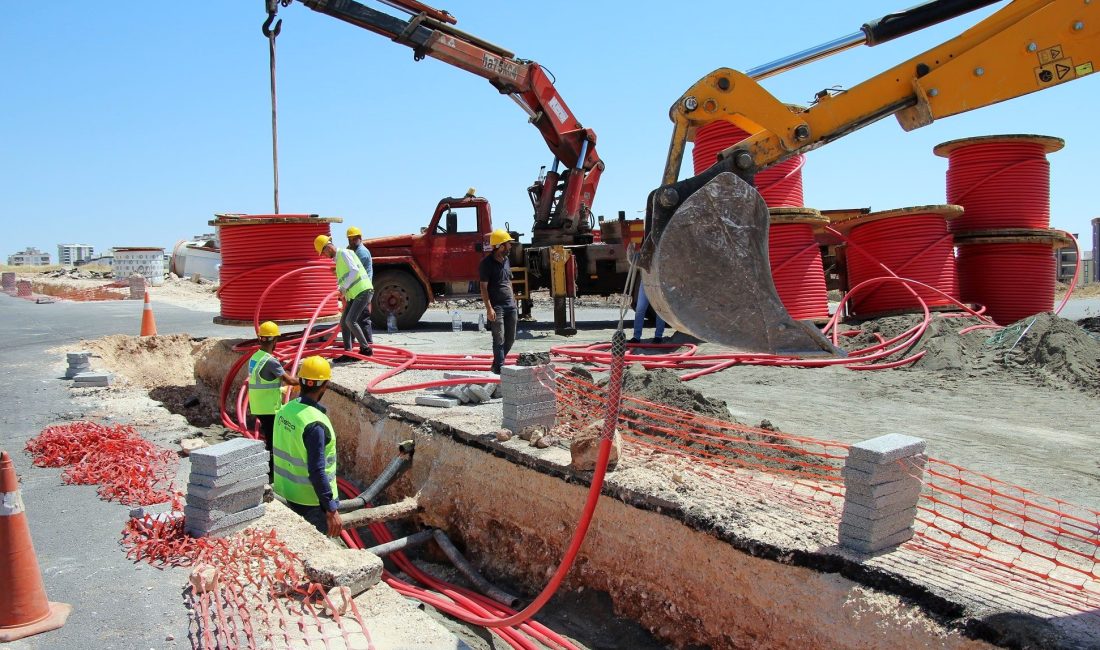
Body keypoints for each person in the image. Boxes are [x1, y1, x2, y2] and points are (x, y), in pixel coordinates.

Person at [272, 355, 342, 537]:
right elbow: (317, 471)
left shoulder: (285, 410)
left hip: (285, 492)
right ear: (325, 386)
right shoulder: (315, 423)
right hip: (311, 502)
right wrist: (331, 509)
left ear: (300, 382)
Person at [248, 321, 299, 480]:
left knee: (270, 438)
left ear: (260, 339)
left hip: (258, 405)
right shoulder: (270, 361)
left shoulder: (255, 357)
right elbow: (289, 380)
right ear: (275, 340)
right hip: (269, 409)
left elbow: (264, 382)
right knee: (273, 442)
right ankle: (270, 475)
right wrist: (304, 381)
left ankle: (269, 471)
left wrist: (281, 391)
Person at [314, 234, 373, 359]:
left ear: (328, 248)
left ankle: (365, 348)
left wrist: (344, 287)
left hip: (363, 290)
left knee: (350, 320)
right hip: (354, 294)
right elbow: (345, 280)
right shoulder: (338, 261)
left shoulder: (344, 253)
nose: (324, 256)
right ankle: (348, 352)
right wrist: (342, 291)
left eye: (323, 253)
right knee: (344, 322)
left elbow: (354, 270)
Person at [479, 228, 517, 374]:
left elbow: (508, 281)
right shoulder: (486, 264)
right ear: (501, 246)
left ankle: (495, 366)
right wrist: (489, 308)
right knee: (498, 339)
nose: (510, 247)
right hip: (497, 307)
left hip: (510, 306)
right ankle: (500, 370)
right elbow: (483, 287)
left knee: (510, 339)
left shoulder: (506, 260)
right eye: (508, 244)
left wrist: (513, 299)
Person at [346, 226, 374, 347]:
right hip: (357, 289)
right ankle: (354, 342)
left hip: (363, 289)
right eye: (350, 239)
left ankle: (368, 343)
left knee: (362, 317)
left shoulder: (361, 252)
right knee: (353, 318)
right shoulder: (355, 251)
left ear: (360, 238)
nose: (351, 242)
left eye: (354, 239)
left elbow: (353, 270)